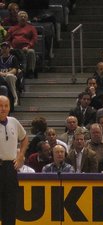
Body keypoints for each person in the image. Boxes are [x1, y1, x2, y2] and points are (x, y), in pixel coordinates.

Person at [0, 95, 29, 225]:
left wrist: (20, 155)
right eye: (0, 106)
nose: (3, 108)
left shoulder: (14, 121)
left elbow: (24, 138)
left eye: (6, 106)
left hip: (10, 168)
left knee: (10, 205)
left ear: (9, 107)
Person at [6, 11, 37, 78]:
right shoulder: (12, 28)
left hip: (26, 48)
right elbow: (8, 40)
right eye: (21, 16)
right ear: (17, 18)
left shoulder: (31, 28)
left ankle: (30, 71)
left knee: (31, 52)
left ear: (27, 18)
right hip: (14, 49)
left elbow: (34, 39)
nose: (23, 18)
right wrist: (10, 47)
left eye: (24, 17)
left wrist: (28, 47)